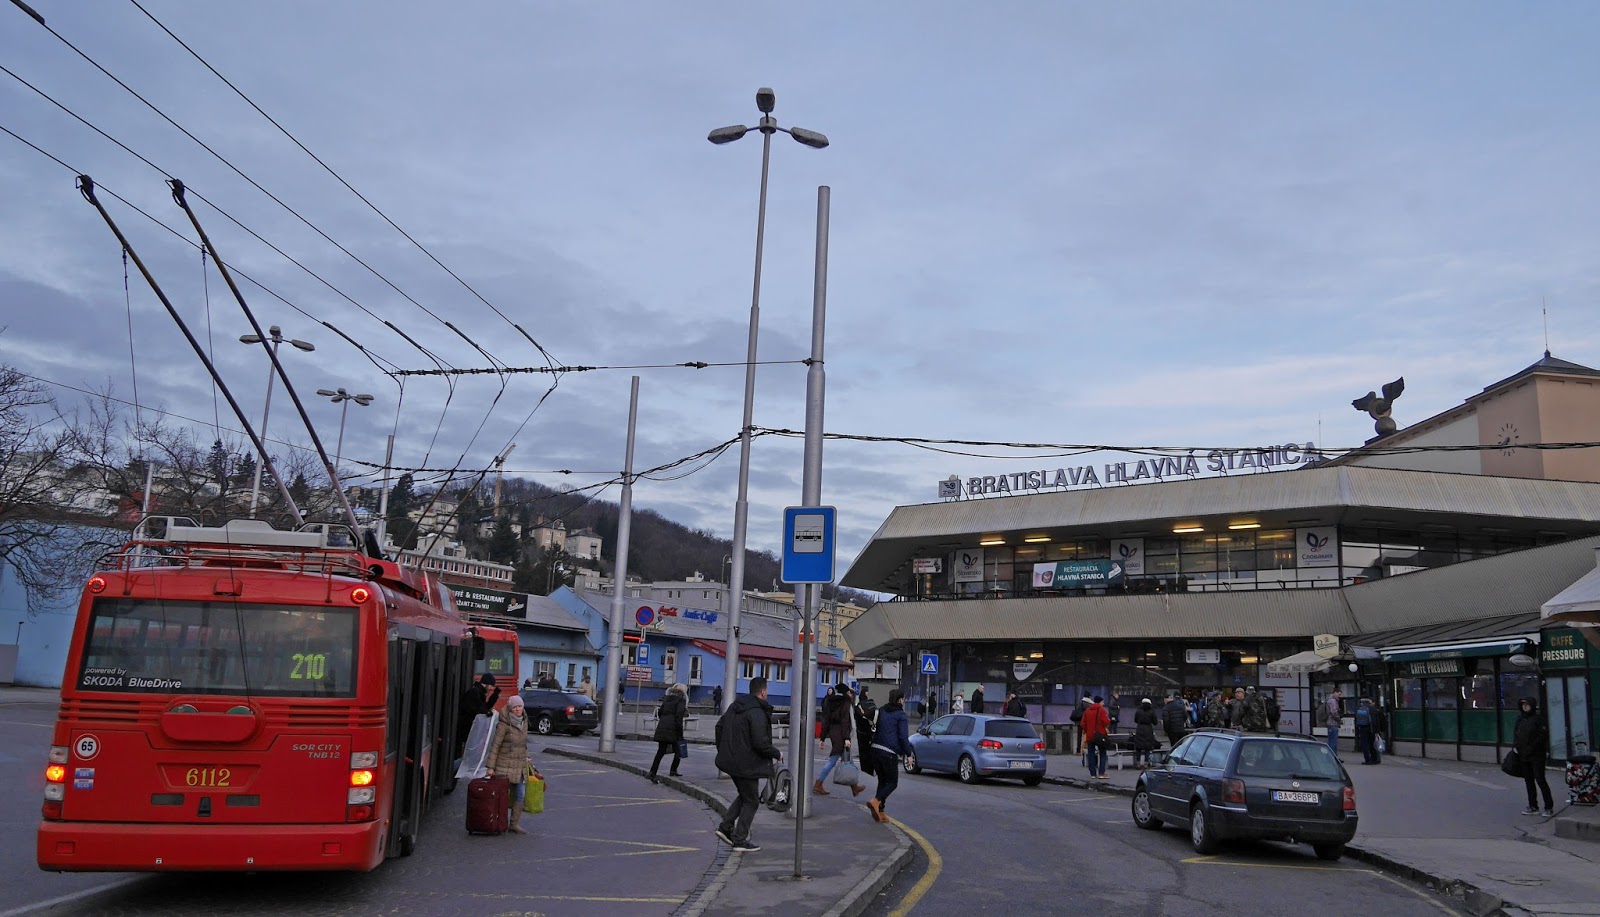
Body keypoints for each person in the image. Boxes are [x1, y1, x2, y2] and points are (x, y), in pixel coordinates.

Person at [713, 676, 781, 852]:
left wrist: (724, 750)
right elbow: (760, 742)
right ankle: (740, 839)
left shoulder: (736, 706)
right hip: (747, 764)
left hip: (731, 761)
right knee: (752, 801)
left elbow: (719, 727)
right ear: (763, 692)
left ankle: (725, 827)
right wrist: (777, 753)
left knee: (745, 796)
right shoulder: (757, 712)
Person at [484, 694, 533, 835]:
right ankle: (500, 822)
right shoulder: (503, 724)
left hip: (520, 765)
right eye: (515, 707)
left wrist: (527, 756)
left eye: (520, 706)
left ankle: (514, 824)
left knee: (520, 795)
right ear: (510, 708)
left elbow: (523, 744)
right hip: (503, 766)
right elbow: (495, 746)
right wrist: (491, 768)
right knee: (503, 797)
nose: (518, 709)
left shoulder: (524, 721)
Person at [866, 687, 913, 823]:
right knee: (892, 782)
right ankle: (875, 801)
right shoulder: (901, 715)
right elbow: (903, 737)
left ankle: (880, 811)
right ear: (900, 700)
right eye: (903, 699)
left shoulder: (882, 710)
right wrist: (908, 754)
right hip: (889, 753)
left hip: (875, 750)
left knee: (882, 781)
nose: (904, 701)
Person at [815, 683, 867, 797]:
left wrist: (823, 738)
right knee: (833, 760)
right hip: (841, 735)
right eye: (848, 692)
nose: (850, 694)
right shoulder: (845, 702)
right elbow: (845, 720)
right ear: (845, 693)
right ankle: (818, 784)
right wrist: (846, 738)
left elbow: (826, 720)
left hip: (834, 733)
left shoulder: (830, 702)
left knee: (848, 759)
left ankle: (854, 787)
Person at [1514, 697, 1554, 816]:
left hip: (1537, 755)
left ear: (1532, 705)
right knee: (1529, 781)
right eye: (1523, 705)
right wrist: (1516, 746)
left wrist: (1532, 747)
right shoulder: (1520, 719)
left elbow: (1542, 736)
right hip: (1523, 755)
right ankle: (1533, 806)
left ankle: (1548, 807)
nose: (1525, 707)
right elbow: (1516, 734)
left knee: (1540, 780)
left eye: (1527, 704)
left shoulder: (1538, 719)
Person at [649, 682, 689, 783]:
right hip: (674, 729)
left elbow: (660, 712)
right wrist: (680, 733)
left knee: (660, 751)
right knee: (679, 750)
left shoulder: (667, 698)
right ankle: (673, 770)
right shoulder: (681, 699)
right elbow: (678, 716)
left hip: (663, 727)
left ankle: (652, 772)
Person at [457, 673, 500, 758]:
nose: (491, 689)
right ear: (487, 684)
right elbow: (476, 709)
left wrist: (495, 695)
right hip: (466, 727)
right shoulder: (474, 692)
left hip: (470, 727)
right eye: (491, 686)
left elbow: (485, 707)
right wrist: (486, 712)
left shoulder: (479, 692)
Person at [1081, 695, 1112, 780]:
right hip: (1100, 735)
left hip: (1090, 735)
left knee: (1091, 754)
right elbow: (1106, 721)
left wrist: (1088, 730)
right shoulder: (1102, 710)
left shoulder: (1087, 710)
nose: (1103, 703)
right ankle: (1101, 773)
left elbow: (1083, 723)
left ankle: (1093, 773)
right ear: (1100, 702)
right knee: (1102, 753)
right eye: (1103, 702)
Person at [1131, 698, 1159, 768]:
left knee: (1138, 747)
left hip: (1140, 728)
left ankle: (1138, 762)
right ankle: (1146, 762)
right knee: (1147, 747)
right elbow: (1155, 722)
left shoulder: (1138, 711)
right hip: (1148, 729)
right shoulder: (1152, 711)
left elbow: (1135, 720)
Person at [1354, 697, 1378, 764]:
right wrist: (1376, 730)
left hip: (1362, 727)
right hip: (1371, 728)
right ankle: (1374, 759)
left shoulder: (1358, 707)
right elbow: (1375, 720)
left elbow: (1356, 717)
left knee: (1365, 744)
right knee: (1372, 743)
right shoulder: (1372, 708)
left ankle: (1367, 759)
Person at [1323, 689, 1343, 758]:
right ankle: (1333, 757)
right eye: (1339, 694)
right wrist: (1339, 719)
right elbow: (1334, 712)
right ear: (1335, 693)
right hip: (1332, 723)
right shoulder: (1332, 701)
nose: (1339, 696)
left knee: (1331, 740)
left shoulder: (1329, 700)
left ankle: (1333, 756)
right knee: (1333, 742)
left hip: (1330, 723)